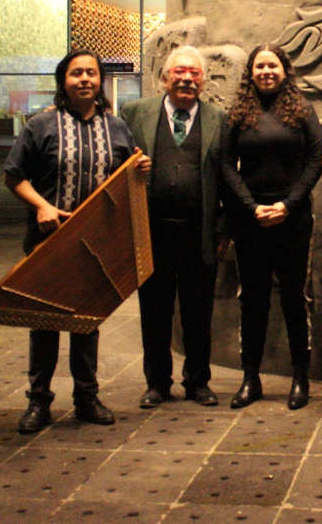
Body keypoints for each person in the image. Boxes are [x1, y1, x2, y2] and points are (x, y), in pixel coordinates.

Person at [5, 49, 150, 433]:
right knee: (44, 323)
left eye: (91, 73)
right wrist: (41, 206)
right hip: (48, 242)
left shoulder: (117, 127)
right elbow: (13, 175)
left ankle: (87, 397)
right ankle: (39, 402)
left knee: (87, 323)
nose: (84, 80)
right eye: (76, 74)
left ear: (100, 81)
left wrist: (141, 170)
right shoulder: (41, 125)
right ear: (63, 80)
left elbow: (127, 177)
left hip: (94, 244)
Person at [121, 44, 228, 409]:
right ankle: (157, 383)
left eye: (194, 73)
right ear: (164, 77)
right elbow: (116, 168)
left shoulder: (219, 119)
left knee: (199, 312)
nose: (186, 78)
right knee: (155, 310)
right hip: (152, 233)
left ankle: (198, 381)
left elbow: (228, 178)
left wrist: (222, 231)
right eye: (179, 72)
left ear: (203, 80)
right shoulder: (134, 114)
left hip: (199, 235)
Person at [221, 44, 322, 410]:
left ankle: (300, 378)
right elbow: (226, 165)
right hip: (250, 222)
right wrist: (251, 207)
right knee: (253, 300)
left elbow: (315, 160)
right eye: (260, 66)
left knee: (295, 299)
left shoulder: (302, 110)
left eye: (272, 65)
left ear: (284, 70)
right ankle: (251, 379)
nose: (266, 71)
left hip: (292, 219)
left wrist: (287, 204)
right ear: (251, 72)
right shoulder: (239, 112)